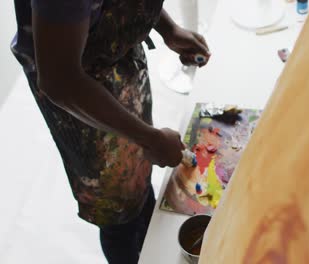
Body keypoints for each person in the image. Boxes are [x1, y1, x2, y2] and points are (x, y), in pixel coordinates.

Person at [11, 0, 211, 263]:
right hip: (78, 97)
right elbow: (59, 81)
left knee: (138, 180)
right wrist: (149, 138)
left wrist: (168, 28)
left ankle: (144, 218)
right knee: (118, 211)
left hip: (116, 60)